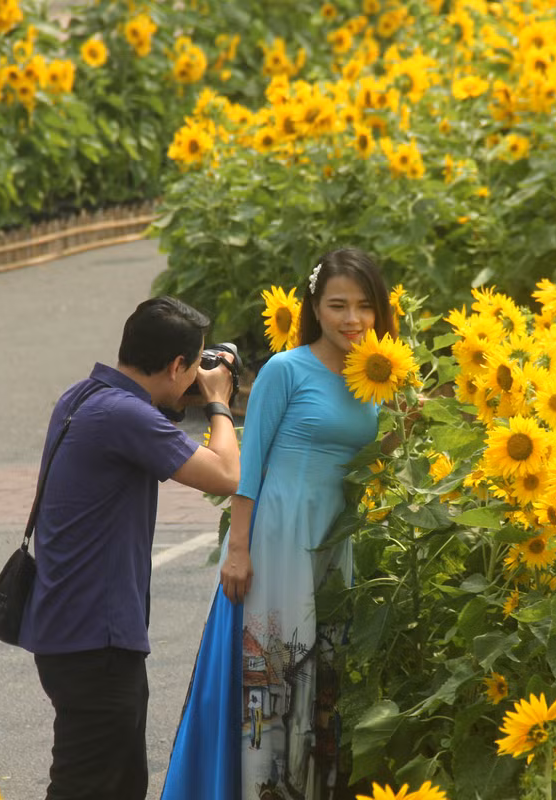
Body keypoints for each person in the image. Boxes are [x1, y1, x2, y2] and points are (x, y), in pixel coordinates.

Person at [161, 247, 396, 800]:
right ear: (315, 305)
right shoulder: (287, 371)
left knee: (326, 678)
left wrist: (406, 411)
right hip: (280, 539)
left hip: (338, 541)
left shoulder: (382, 380)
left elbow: (381, 460)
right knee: (276, 675)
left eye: (364, 306)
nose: (353, 319)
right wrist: (236, 550)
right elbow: (252, 465)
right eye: (338, 305)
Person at [19, 296, 241, 800]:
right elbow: (228, 474)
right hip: (96, 640)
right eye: (192, 368)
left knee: (113, 783)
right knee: (91, 786)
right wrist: (219, 400)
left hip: (69, 632)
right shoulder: (126, 417)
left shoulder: (81, 397)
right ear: (177, 365)